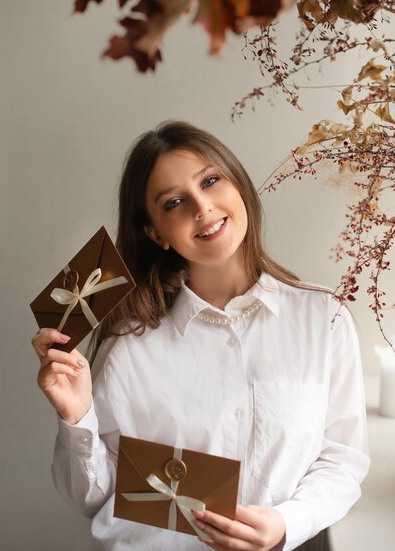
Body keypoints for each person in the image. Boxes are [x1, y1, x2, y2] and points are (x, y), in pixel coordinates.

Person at [32, 121, 370, 551]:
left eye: (211, 180)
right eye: (174, 202)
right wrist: (77, 417)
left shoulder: (325, 320)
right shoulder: (127, 347)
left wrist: (286, 522)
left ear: (239, 185)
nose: (202, 207)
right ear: (156, 233)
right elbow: (94, 497)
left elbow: (342, 460)